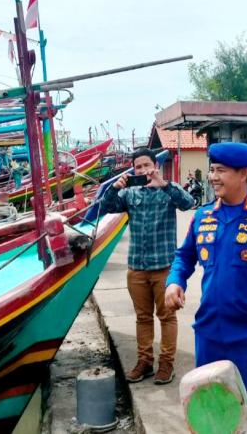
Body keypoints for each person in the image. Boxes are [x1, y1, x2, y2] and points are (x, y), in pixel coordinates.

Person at [165, 142, 247, 434]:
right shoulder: (203, 217)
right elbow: (184, 256)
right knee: (214, 413)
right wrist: (175, 281)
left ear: (244, 174)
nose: (213, 177)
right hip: (210, 333)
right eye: (212, 170)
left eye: (221, 171)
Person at [100, 148, 194, 385]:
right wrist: (115, 187)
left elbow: (188, 203)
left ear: (155, 166)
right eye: (138, 167)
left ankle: (166, 364)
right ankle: (145, 362)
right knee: (142, 318)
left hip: (164, 266)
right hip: (137, 267)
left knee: (167, 317)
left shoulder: (168, 190)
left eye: (146, 166)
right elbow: (106, 206)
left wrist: (164, 184)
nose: (142, 170)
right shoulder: (130, 193)